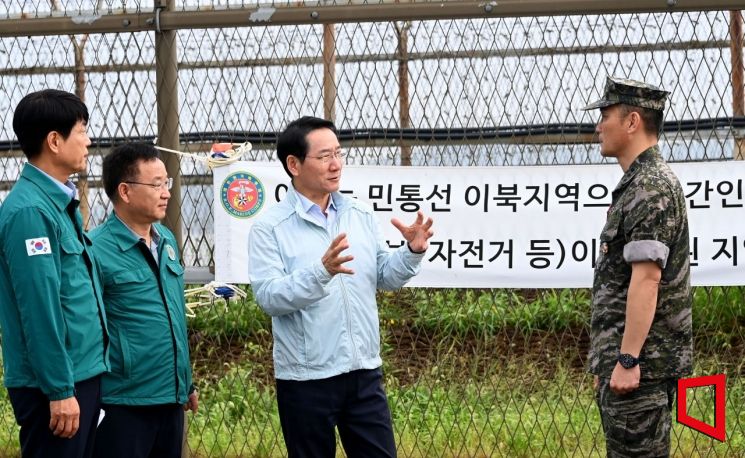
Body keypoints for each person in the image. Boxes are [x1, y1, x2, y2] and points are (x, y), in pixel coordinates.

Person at [248, 116, 434, 457]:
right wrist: (321, 272)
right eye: (323, 157)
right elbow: (269, 297)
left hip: (363, 371)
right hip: (306, 380)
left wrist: (411, 252)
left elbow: (384, 276)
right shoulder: (269, 228)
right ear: (294, 164)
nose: (335, 165)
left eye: (338, 153)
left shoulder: (359, 214)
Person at [582, 77, 692, 457]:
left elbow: (647, 280)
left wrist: (627, 359)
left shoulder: (651, 187)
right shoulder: (639, 184)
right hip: (632, 371)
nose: (598, 125)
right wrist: (610, 358)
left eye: (605, 114)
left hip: (639, 373)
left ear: (632, 122)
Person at [0, 89, 109, 457]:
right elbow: (39, 307)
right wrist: (60, 390)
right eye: (82, 130)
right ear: (54, 141)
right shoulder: (30, 212)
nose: (88, 140)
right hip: (56, 386)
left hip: (80, 375)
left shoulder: (57, 203)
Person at [89, 143, 198, 458]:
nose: (166, 193)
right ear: (125, 191)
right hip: (124, 403)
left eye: (167, 183)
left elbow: (174, 316)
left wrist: (185, 382)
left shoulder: (165, 240)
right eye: (157, 184)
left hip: (170, 398)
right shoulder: (96, 250)